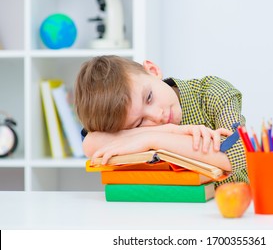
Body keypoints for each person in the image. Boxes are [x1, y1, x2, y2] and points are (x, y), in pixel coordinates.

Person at [74, 55, 248, 184]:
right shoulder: (128, 124)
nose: (157, 116)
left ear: (153, 71)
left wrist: (152, 139)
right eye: (139, 124)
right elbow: (90, 143)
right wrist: (171, 131)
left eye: (149, 97)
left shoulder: (212, 92)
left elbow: (237, 154)